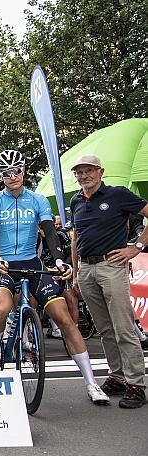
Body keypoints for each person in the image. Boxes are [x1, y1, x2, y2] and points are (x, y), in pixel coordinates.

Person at [0, 150, 109, 405]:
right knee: (2, 308)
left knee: (64, 319)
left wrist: (60, 259)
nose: (13, 176)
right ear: (1, 177)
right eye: (7, 173)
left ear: (24, 170)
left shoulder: (38, 200)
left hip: (33, 263)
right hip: (6, 264)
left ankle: (91, 382)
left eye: (17, 170)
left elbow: (50, 234)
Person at [70, 154, 148, 408]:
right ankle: (117, 376)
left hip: (111, 265)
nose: (84, 176)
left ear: (100, 171)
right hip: (87, 268)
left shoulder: (117, 194)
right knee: (105, 329)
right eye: (79, 172)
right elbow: (75, 237)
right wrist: (76, 271)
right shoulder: (76, 200)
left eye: (89, 171)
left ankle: (136, 384)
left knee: (123, 327)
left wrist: (135, 247)